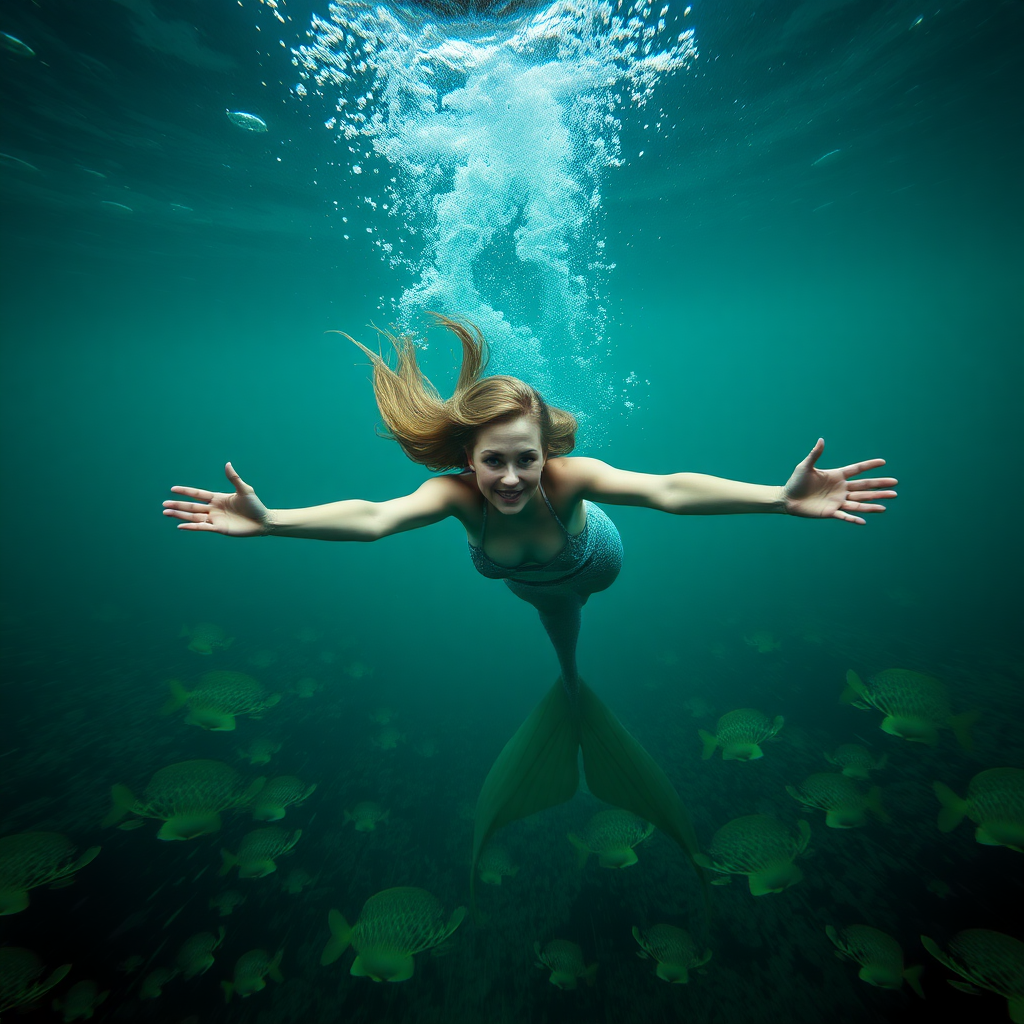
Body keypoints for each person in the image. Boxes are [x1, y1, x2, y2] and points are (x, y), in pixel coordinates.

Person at [162, 313, 897, 900]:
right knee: (560, 633)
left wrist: (778, 497)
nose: (511, 477)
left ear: (547, 454)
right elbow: (374, 516)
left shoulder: (570, 480)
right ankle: (572, 687)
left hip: (595, 562)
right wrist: (271, 520)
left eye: (526, 458)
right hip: (533, 587)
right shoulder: (451, 497)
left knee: (571, 602)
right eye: (493, 461)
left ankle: (573, 682)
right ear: (467, 459)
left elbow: (668, 489)